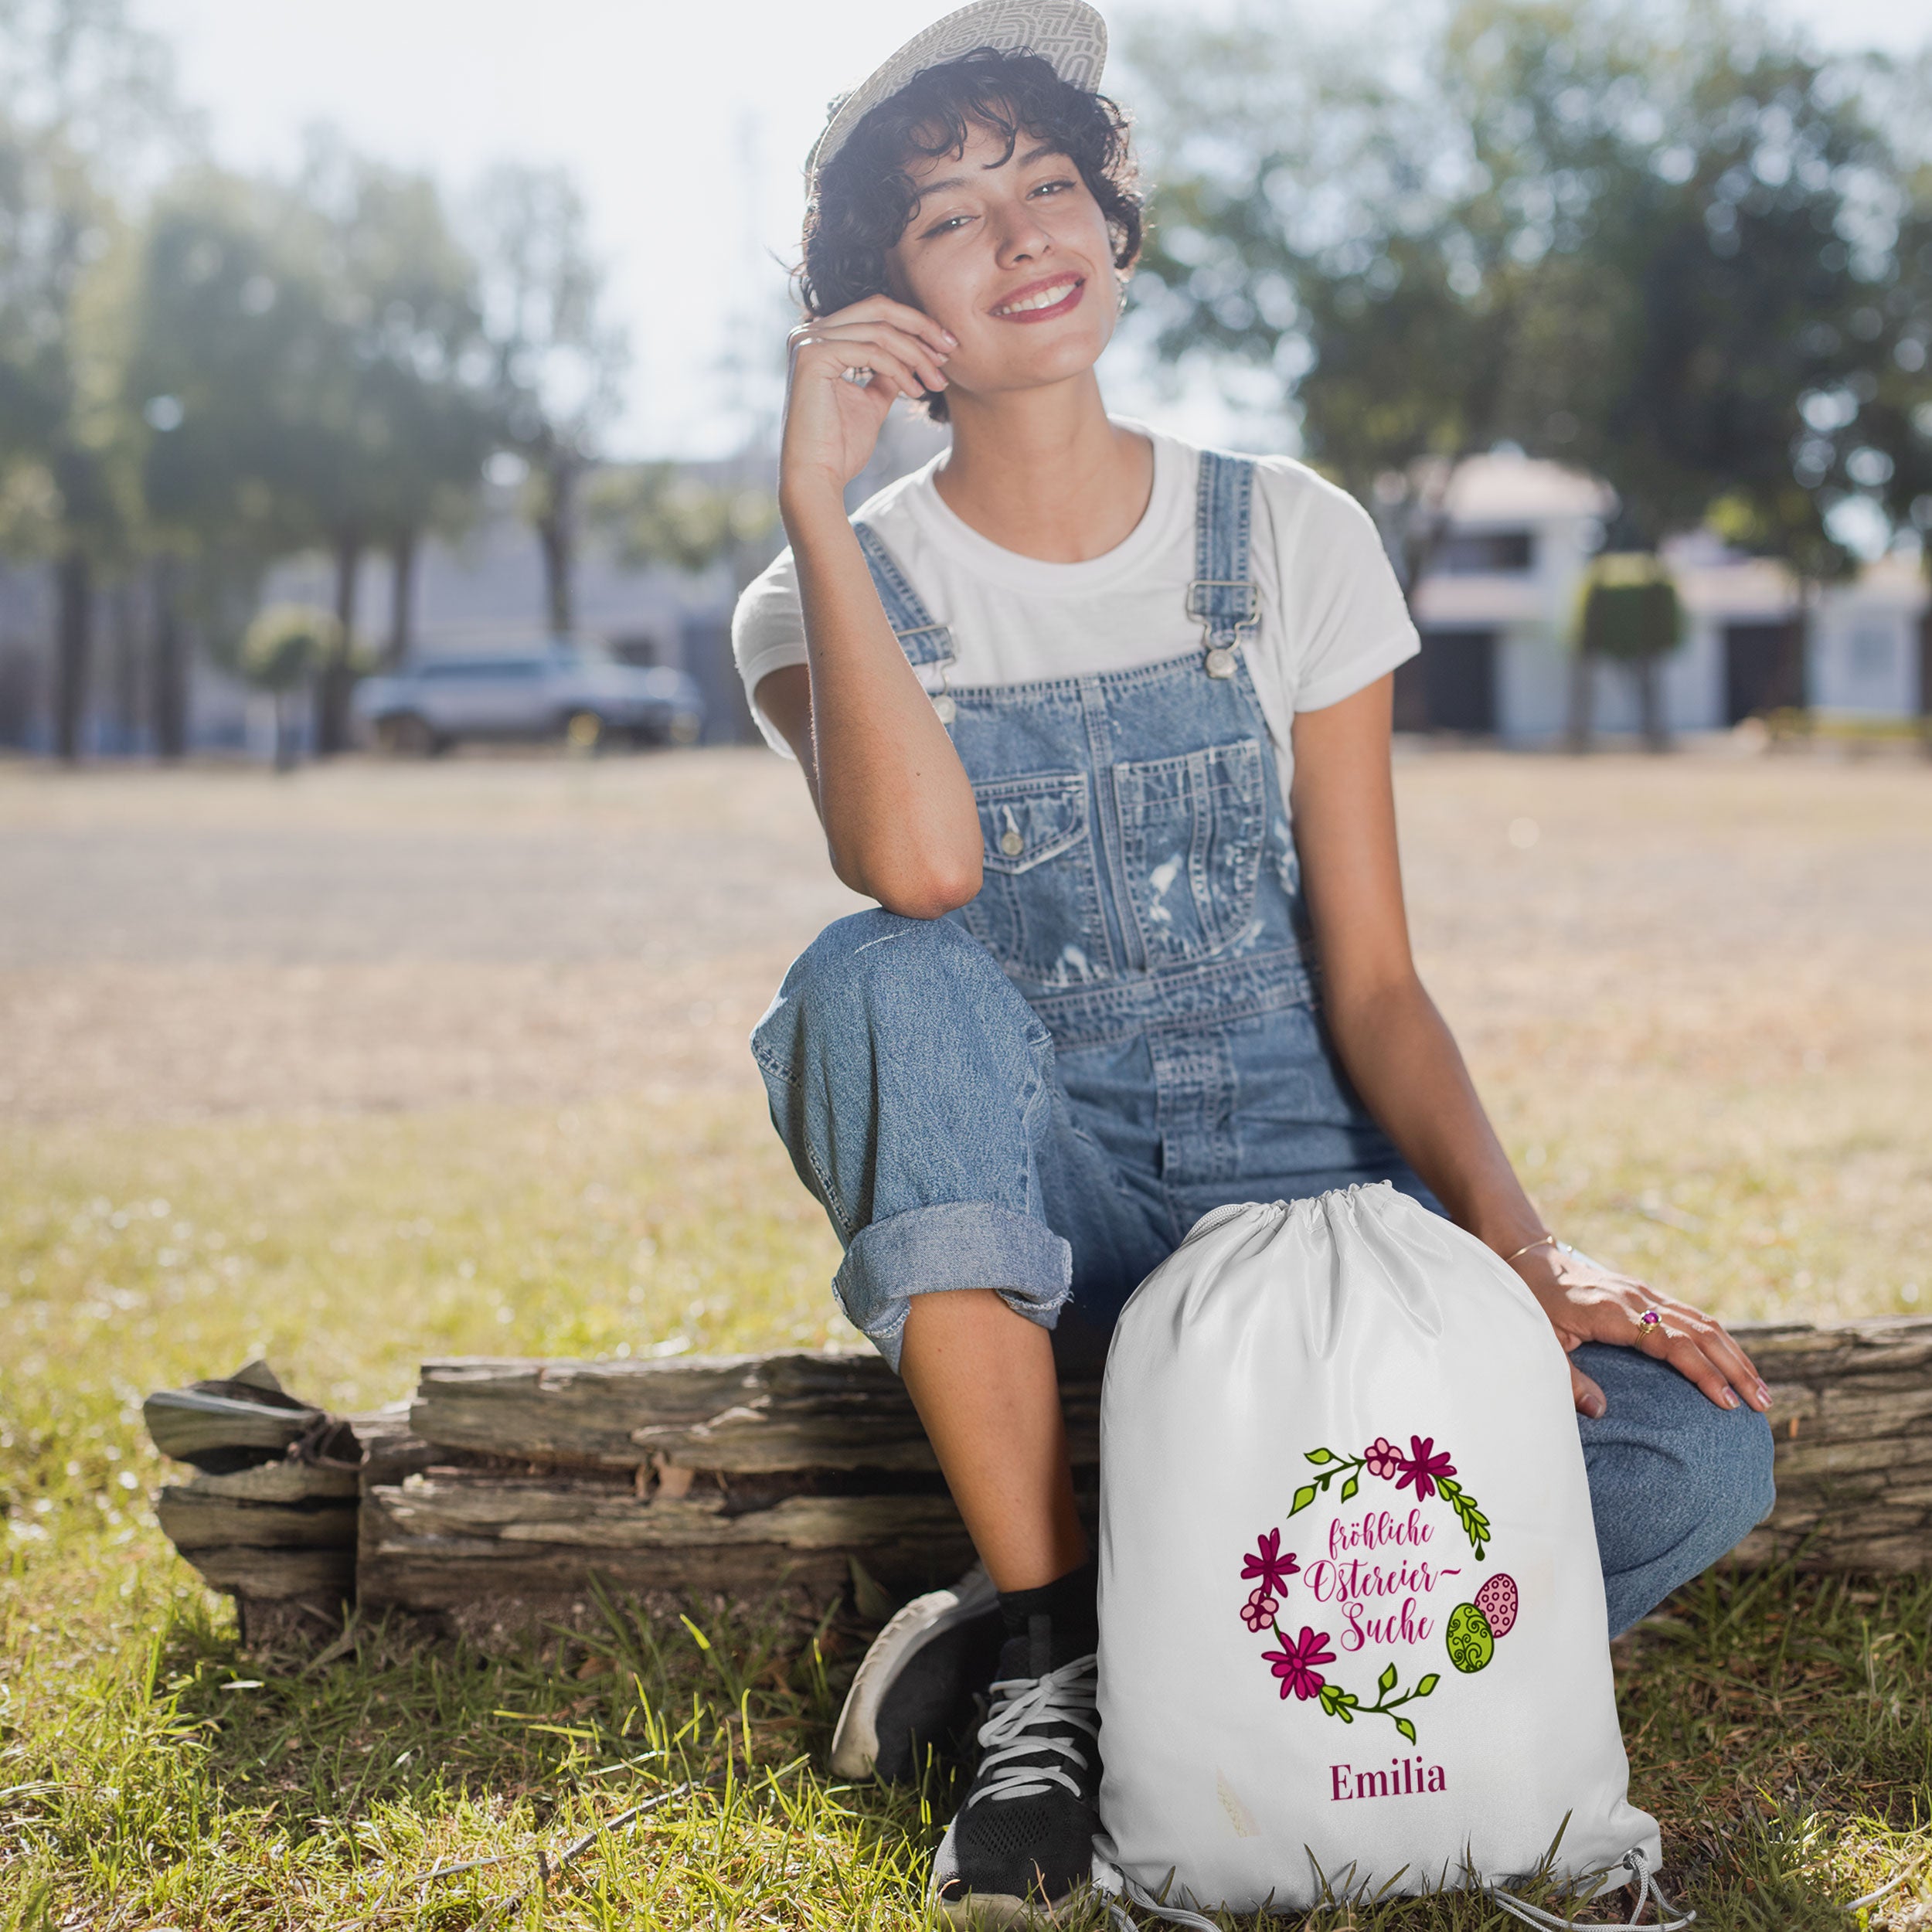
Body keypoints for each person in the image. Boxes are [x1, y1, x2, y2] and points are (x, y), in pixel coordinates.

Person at [733, 3, 1775, 1919]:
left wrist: (1530, 1257)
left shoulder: (1288, 534)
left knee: (1694, 1461)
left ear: (1115, 227)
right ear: (878, 306)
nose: (1021, 229)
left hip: (1310, 1207)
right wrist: (813, 498)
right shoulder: (819, 592)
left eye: (1048, 182)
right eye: (949, 217)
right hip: (1049, 1227)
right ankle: (1058, 1647)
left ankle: (1047, 1633)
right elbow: (920, 867)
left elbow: (1373, 982)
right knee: (875, 970)